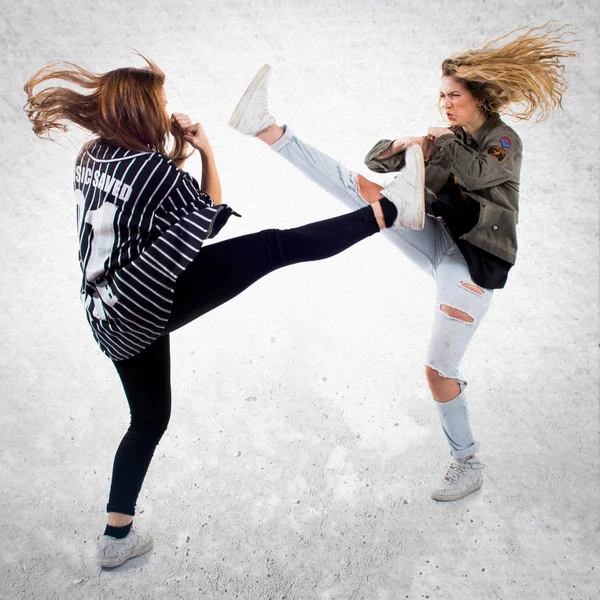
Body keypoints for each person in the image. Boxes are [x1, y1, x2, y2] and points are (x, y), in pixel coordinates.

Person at [23, 56, 428, 568]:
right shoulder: (150, 170)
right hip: (147, 302)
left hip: (106, 310)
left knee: (148, 419)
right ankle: (392, 211)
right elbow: (208, 217)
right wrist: (206, 148)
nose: (169, 110)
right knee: (271, 248)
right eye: (162, 104)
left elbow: (153, 196)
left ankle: (114, 539)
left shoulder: (93, 156)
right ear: (142, 110)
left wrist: (180, 147)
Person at [229, 24, 578, 503]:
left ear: (478, 97)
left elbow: (475, 174)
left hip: (475, 263)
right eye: (442, 96)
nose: (446, 104)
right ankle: (267, 129)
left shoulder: (503, 141)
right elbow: (377, 161)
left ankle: (467, 462)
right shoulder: (449, 138)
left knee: (439, 371)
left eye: (453, 95)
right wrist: (411, 145)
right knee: (360, 190)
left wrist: (439, 144)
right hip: (437, 236)